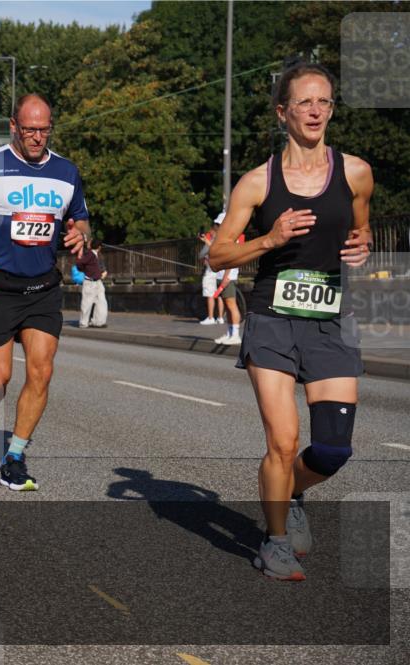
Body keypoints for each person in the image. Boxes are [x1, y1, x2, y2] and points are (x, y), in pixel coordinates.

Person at [209, 63, 373, 581]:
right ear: (283, 112)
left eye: (323, 101)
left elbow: (362, 226)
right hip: (273, 319)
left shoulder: (355, 172)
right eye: (304, 102)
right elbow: (218, 256)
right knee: (282, 440)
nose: (315, 110)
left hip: (329, 321)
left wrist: (363, 244)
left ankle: (294, 490)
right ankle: (274, 541)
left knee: (332, 449)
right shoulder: (257, 183)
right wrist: (270, 240)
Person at [0, 93, 89, 491]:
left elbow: (81, 220)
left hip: (43, 286)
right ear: (14, 126)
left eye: (44, 129)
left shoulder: (66, 171)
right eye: (29, 129)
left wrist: (80, 234)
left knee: (42, 371)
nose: (37, 137)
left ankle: (14, 456)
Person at [213, 218, 244, 345]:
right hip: (222, 275)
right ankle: (230, 332)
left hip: (228, 277)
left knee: (231, 305)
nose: (217, 227)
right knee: (227, 305)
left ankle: (235, 334)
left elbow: (231, 259)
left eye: (219, 224)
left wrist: (226, 277)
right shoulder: (224, 238)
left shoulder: (232, 238)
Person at [198, 218, 226, 325]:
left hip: (211, 271)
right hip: (220, 272)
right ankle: (220, 317)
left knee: (210, 294)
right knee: (219, 295)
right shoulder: (224, 240)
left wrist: (205, 241)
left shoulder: (213, 241)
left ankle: (210, 317)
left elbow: (203, 254)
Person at [75, 236, 107, 329]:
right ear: (99, 247)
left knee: (101, 302)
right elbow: (79, 264)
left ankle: (99, 322)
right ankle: (83, 323)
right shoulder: (90, 254)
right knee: (87, 303)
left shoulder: (96, 255)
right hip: (90, 282)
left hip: (97, 282)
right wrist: (84, 269)